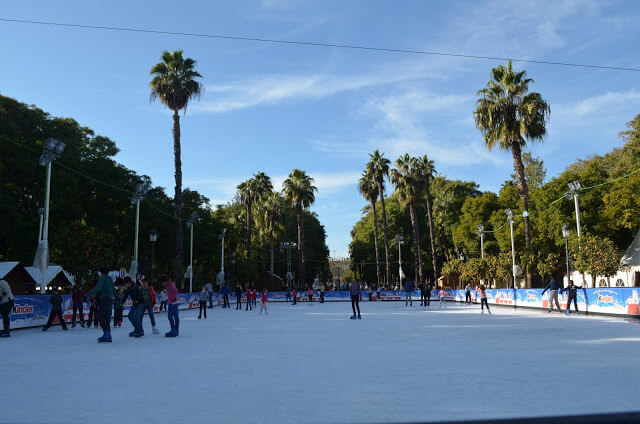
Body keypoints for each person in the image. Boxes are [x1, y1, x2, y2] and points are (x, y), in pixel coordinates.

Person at [85, 269, 116, 343]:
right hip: (110, 299)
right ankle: (108, 335)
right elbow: (113, 289)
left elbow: (97, 288)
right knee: (106, 317)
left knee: (100, 316)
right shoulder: (110, 279)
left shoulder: (102, 278)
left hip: (105, 298)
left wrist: (87, 295)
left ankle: (107, 334)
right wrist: (114, 297)